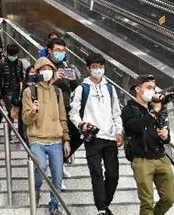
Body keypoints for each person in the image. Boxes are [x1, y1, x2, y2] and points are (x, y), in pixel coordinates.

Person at [69, 53, 123, 215]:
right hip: (92, 138)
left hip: (110, 137)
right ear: (88, 68)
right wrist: (81, 124)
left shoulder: (110, 88)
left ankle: (104, 204)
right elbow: (73, 113)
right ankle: (101, 209)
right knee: (96, 174)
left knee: (113, 175)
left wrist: (119, 131)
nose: (98, 70)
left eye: (100, 67)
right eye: (94, 67)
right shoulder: (82, 88)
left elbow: (116, 112)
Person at [22, 57, 71, 215]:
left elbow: (63, 117)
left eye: (49, 68)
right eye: (42, 69)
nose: (46, 72)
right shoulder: (30, 91)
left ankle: (54, 204)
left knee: (57, 176)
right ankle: (35, 189)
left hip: (56, 140)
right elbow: (25, 119)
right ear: (36, 72)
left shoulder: (57, 91)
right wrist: (33, 111)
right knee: (41, 166)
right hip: (37, 139)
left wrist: (66, 139)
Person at [122, 75, 174, 215]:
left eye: (154, 88)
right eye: (149, 88)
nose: (152, 91)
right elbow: (135, 128)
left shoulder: (156, 108)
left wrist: (165, 135)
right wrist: (153, 112)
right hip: (142, 159)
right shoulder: (129, 109)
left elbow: (166, 137)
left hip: (161, 158)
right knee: (147, 202)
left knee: (169, 198)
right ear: (138, 89)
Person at [46, 39, 81, 161]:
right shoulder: (43, 66)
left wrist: (74, 79)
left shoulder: (66, 66)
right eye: (57, 50)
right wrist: (53, 79)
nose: (60, 53)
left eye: (62, 51)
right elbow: (36, 84)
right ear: (50, 51)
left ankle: (60, 159)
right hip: (49, 109)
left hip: (66, 108)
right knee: (55, 137)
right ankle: (55, 161)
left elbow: (77, 88)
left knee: (78, 134)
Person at [0, 44, 24, 140]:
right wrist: (1, 94)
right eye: (11, 54)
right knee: (11, 112)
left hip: (18, 90)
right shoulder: (1, 64)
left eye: (15, 54)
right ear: (7, 53)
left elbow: (21, 76)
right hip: (6, 92)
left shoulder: (19, 63)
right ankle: (9, 133)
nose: (13, 56)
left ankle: (19, 133)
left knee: (20, 112)